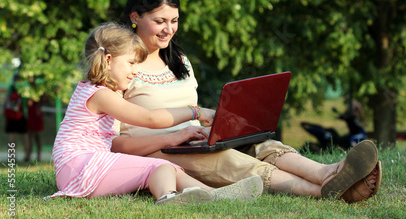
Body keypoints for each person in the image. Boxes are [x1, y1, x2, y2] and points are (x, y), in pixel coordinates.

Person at [112, 0, 382, 203]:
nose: (169, 29)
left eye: (175, 20)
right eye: (160, 21)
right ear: (135, 17)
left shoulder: (178, 60)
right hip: (156, 153)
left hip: (194, 140)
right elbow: (113, 144)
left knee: (260, 142)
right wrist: (171, 138)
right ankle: (327, 191)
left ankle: (328, 172)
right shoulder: (117, 68)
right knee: (231, 160)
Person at [46, 22, 263, 205]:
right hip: (79, 167)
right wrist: (195, 112)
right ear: (109, 60)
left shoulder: (95, 91)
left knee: (170, 168)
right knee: (159, 167)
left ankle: (217, 196)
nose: (135, 71)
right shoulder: (101, 95)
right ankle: (168, 197)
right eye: (131, 63)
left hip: (80, 166)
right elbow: (150, 119)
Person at [3, 74, 30, 161]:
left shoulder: (12, 88)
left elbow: (6, 102)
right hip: (19, 115)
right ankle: (26, 157)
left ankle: (13, 158)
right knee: (24, 137)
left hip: (14, 115)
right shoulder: (24, 89)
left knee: (13, 138)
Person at [26, 77, 45, 162]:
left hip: (36, 115)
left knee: (37, 136)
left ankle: (38, 156)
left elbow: (44, 98)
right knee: (29, 136)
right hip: (30, 115)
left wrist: (38, 106)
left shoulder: (38, 89)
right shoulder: (26, 90)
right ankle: (28, 155)